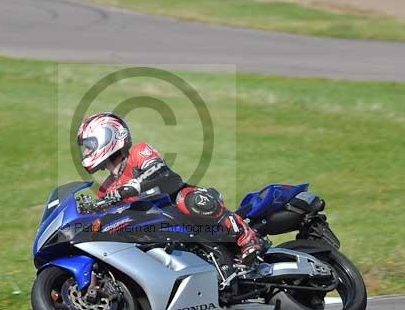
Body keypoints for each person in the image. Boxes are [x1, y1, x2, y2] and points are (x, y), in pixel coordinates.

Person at [77, 112, 269, 266]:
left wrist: (128, 189)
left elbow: (159, 171)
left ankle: (248, 239)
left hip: (176, 207)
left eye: (89, 145)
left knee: (188, 199)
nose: (86, 152)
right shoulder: (105, 189)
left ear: (109, 136)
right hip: (151, 231)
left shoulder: (139, 152)